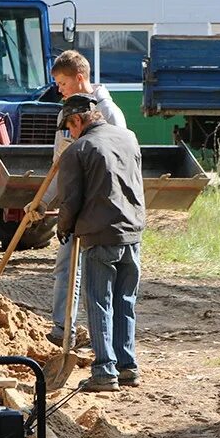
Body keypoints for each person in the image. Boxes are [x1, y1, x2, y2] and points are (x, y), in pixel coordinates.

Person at [55, 93, 146, 393]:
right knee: (125, 301)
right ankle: (127, 367)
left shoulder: (78, 150)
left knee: (98, 302)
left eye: (70, 127)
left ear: (77, 120)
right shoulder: (130, 138)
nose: (71, 133)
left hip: (99, 236)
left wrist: (63, 228)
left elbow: (70, 201)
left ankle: (105, 371)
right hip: (132, 234)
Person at [46, 49, 129, 348]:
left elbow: (121, 162)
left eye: (63, 83)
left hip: (100, 207)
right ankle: (61, 327)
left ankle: (105, 345)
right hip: (74, 202)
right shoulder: (65, 113)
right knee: (65, 266)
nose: (59, 89)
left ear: (80, 78)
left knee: (101, 279)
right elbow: (59, 163)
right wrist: (44, 202)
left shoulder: (110, 113)